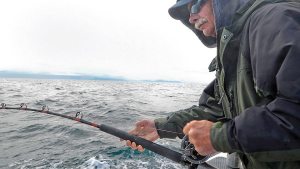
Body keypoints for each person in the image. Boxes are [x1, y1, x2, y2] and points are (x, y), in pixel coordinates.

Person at [127, 0, 300, 168]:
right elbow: (216, 109)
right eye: (188, 12)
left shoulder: (276, 20)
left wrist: (219, 138)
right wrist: (159, 127)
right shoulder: (234, 49)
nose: (191, 18)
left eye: (195, 5)